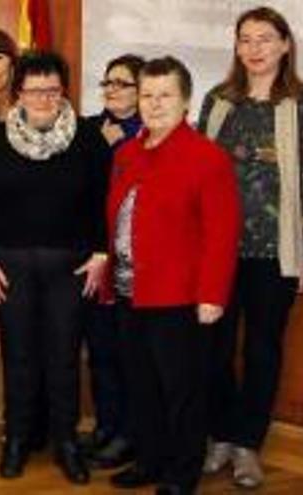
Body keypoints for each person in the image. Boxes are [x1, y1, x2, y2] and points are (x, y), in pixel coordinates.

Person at [0, 51, 111, 485]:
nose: (44, 99)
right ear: (19, 93)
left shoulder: (87, 138)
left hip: (71, 269)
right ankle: (16, 439)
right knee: (20, 357)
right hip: (10, 269)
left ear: (63, 90)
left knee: (64, 358)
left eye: (51, 90)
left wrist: (102, 253)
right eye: (34, 90)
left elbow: (108, 198)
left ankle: (66, 442)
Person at [106, 56, 241, 495]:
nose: (154, 103)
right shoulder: (127, 153)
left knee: (182, 391)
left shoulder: (207, 157)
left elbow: (222, 234)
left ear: (185, 101)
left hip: (180, 297)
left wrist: (212, 296)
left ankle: (183, 474)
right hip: (130, 291)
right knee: (141, 384)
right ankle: (150, 459)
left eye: (165, 95)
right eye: (147, 95)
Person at [198, 6, 303, 489]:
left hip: (274, 252)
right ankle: (219, 434)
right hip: (216, 250)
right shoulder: (219, 101)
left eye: (265, 38)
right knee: (212, 348)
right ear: (236, 46)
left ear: (285, 45)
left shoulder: (298, 105)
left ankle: (246, 445)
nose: (255, 48)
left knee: (262, 350)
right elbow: (195, 174)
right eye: (246, 39)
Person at [83, 53, 145, 470]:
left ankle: (131, 433)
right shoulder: (87, 129)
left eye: (122, 83)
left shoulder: (151, 135)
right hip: (92, 259)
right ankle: (106, 425)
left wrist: (109, 152)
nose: (112, 90)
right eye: (108, 82)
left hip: (136, 265)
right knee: (101, 349)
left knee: (131, 354)